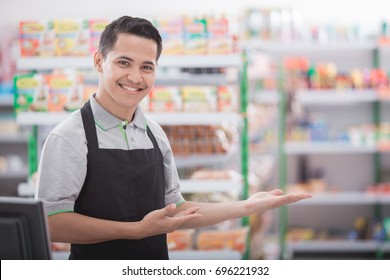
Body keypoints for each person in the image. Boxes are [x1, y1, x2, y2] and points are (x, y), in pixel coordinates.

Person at [35, 15, 311, 260]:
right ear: (98, 61)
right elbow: (51, 222)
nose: (135, 76)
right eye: (123, 62)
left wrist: (246, 206)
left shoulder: (155, 134)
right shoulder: (69, 136)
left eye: (147, 67)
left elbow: (176, 209)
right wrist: (136, 231)